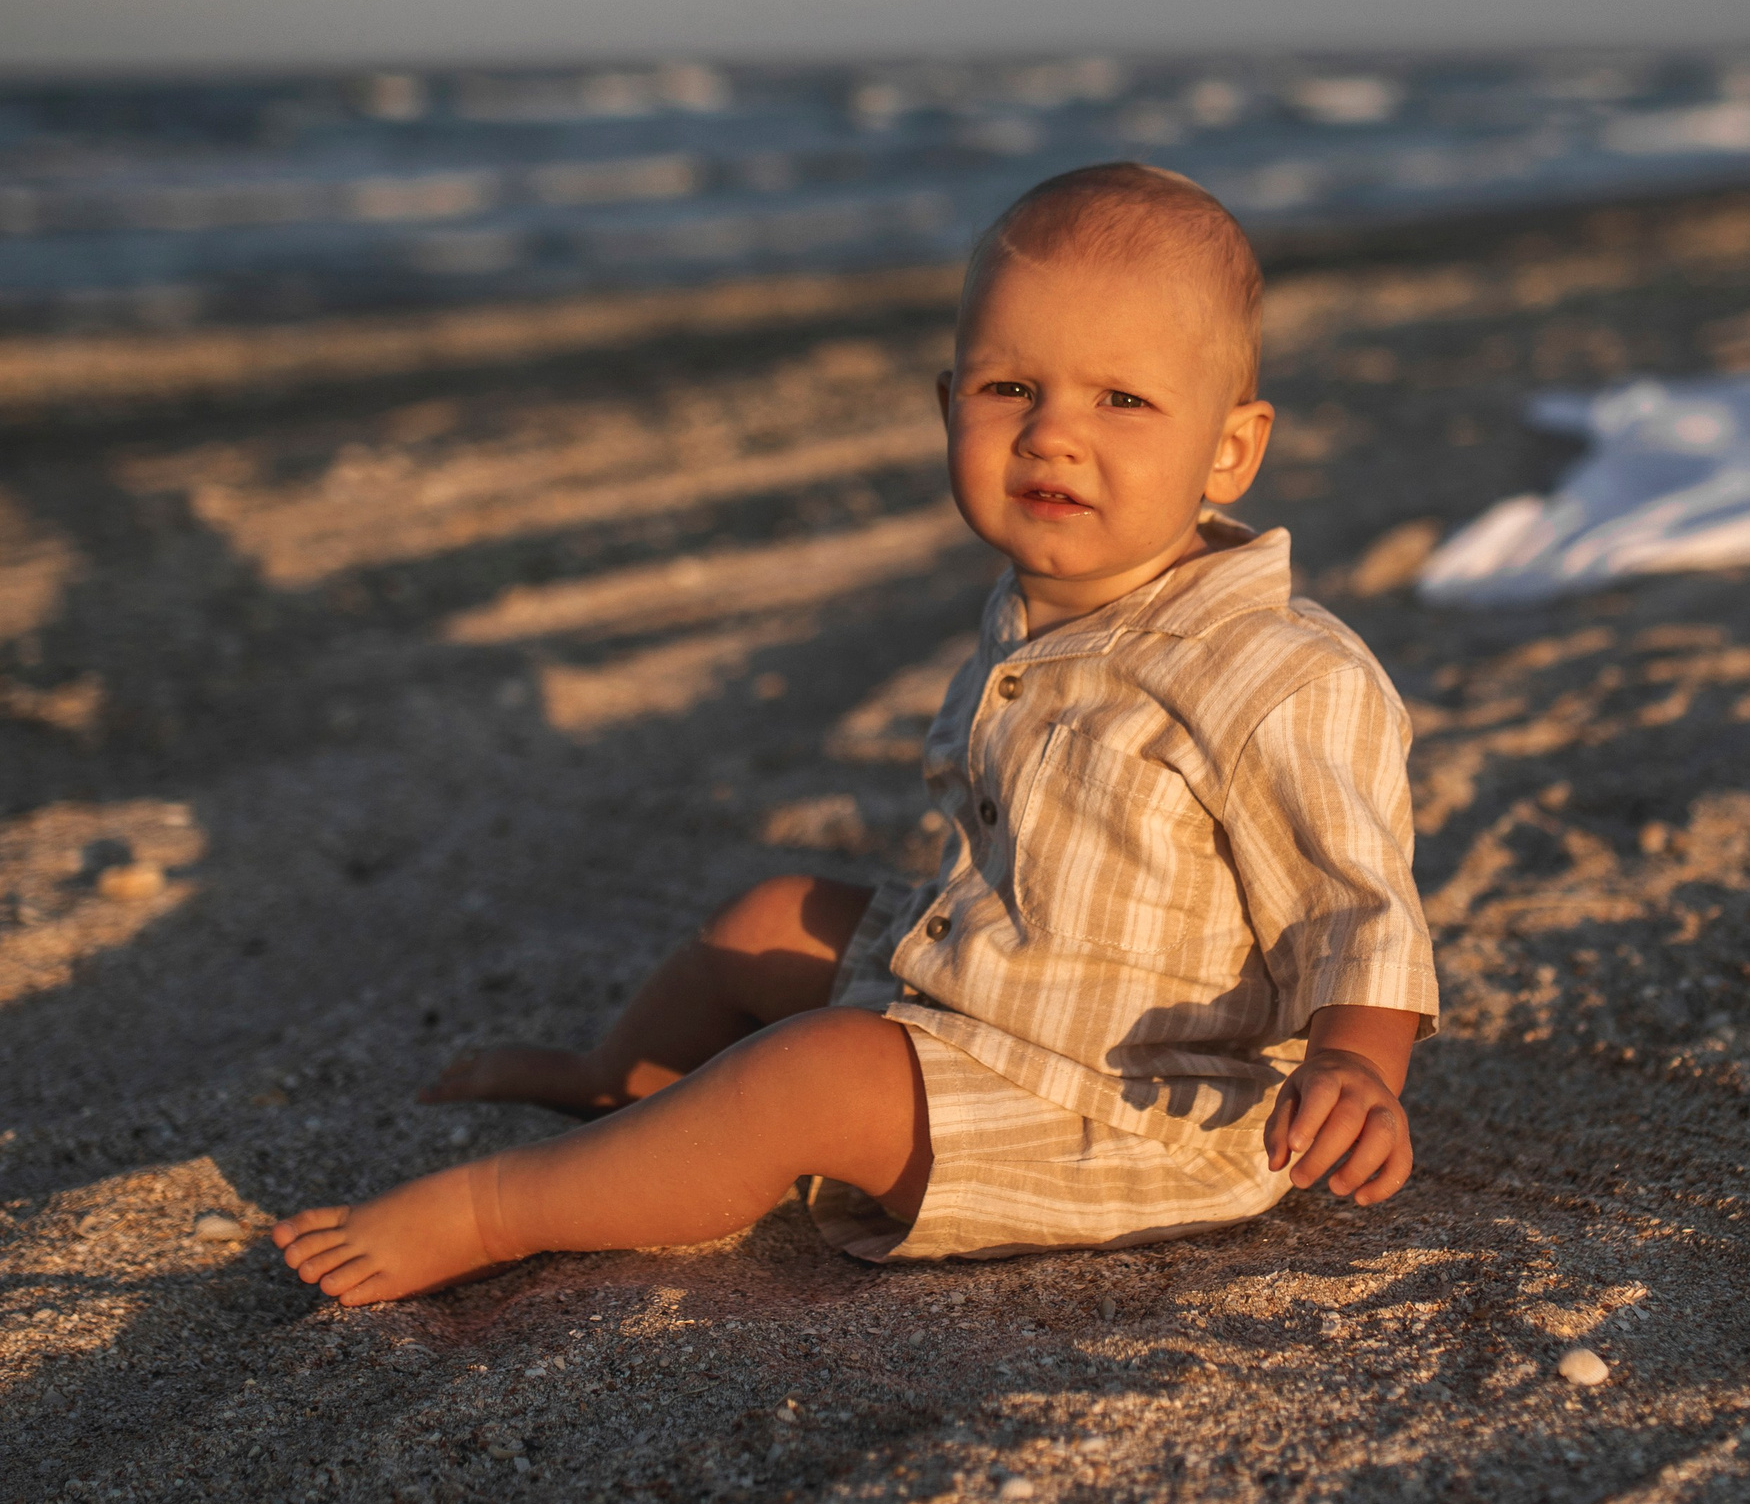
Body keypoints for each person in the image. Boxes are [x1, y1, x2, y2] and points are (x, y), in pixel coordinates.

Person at [274, 162, 1436, 1305]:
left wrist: (1354, 1065)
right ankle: (620, 1082)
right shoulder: (1045, 607)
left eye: (1121, 401)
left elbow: (1358, 908)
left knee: (813, 1078)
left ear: (1231, 448)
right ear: (948, 407)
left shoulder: (1276, 674)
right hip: (990, 991)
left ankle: (497, 1210)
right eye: (1009, 389)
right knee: (768, 917)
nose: (1052, 436)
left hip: (1140, 1107)